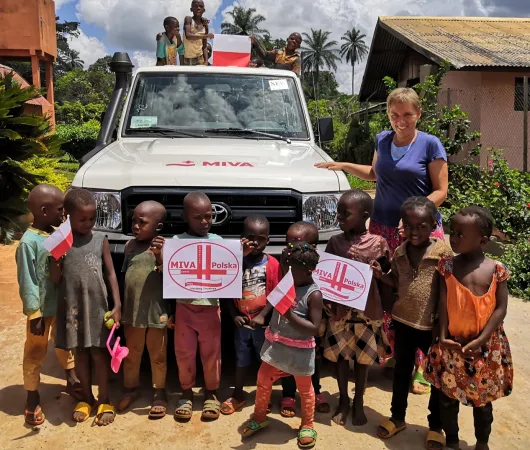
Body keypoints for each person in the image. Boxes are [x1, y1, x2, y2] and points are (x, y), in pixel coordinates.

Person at [316, 87, 449, 394]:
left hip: (418, 232)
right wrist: (343, 165)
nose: (400, 120)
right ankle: (391, 354)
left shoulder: (430, 144)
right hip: (384, 229)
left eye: (406, 114)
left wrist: (416, 215)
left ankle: (421, 366)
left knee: (419, 296)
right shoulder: (382, 140)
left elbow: (441, 191)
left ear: (418, 114)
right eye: (394, 114)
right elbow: (375, 173)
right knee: (387, 293)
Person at [424, 206, 513, 450]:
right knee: (447, 398)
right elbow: (442, 304)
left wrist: (482, 339)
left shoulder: (496, 270)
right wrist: (442, 336)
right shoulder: (447, 267)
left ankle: (481, 443)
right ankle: (452, 439)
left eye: (461, 234)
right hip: (452, 345)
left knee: (482, 402)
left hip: (485, 349)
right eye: (453, 232)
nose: (453, 238)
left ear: (483, 240)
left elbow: (500, 309)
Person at [371, 197, 452, 449]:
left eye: (422, 226)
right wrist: (381, 277)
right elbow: (397, 282)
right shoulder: (399, 252)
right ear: (402, 225)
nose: (414, 232)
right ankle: (397, 417)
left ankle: (436, 426)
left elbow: (449, 293)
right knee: (401, 372)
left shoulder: (443, 254)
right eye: (409, 226)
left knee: (436, 378)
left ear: (433, 225)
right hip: (404, 322)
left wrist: (443, 329)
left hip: (432, 328)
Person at [242, 242, 323, 449]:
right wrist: (261, 316)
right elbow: (274, 299)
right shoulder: (289, 282)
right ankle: (259, 417)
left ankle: (307, 425)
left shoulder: (313, 295)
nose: (287, 271)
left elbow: (313, 327)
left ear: (307, 270)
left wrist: (289, 314)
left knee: (305, 389)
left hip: (300, 351)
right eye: (287, 267)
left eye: (292, 268)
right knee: (263, 378)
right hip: (277, 345)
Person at [323, 190, 391, 426]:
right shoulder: (335, 242)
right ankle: (343, 400)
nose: (340, 217)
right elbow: (326, 275)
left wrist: (380, 274)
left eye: (346, 213)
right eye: (338, 212)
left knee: (362, 360)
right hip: (340, 312)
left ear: (365, 215)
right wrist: (327, 305)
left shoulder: (378, 243)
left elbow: (387, 277)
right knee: (341, 357)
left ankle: (358, 400)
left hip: (367, 313)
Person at [55, 188, 121, 426]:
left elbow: (111, 273)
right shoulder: (61, 242)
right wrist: (55, 262)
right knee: (80, 353)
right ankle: (86, 398)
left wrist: (117, 304)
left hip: (97, 306)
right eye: (82, 219)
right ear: (68, 216)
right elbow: (55, 278)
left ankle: (104, 399)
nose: (88, 223)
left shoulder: (99, 238)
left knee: (98, 353)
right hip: (73, 306)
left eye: (92, 218)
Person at [16, 185, 79, 426]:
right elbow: (28, 281)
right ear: (44, 210)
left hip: (60, 305)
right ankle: (32, 395)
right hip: (41, 311)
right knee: (35, 351)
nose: (64, 215)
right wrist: (34, 314)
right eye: (61, 210)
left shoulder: (55, 235)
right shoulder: (28, 243)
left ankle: (72, 379)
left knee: (65, 344)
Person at [220, 215, 281, 415]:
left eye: (261, 238)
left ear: (268, 240)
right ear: (241, 237)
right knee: (241, 358)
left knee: (265, 360)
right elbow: (226, 292)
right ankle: (238, 394)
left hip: (263, 324)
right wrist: (233, 315)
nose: (255, 242)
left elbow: (277, 294)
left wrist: (264, 315)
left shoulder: (272, 264)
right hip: (243, 323)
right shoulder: (234, 263)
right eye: (250, 237)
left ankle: (264, 397)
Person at [172, 192, 222, 421]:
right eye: (198, 217)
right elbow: (168, 274)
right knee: (184, 353)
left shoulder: (219, 242)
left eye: (208, 216)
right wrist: (160, 256)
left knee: (211, 353)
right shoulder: (175, 243)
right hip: (184, 307)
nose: (204, 222)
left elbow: (228, 271)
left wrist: (242, 254)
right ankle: (186, 393)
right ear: (185, 217)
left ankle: (211, 392)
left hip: (211, 308)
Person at [117, 201, 169, 419]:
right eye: (134, 221)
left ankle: (160, 391)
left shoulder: (164, 249)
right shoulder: (129, 246)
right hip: (133, 312)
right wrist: (119, 307)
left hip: (157, 312)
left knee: (158, 354)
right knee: (132, 353)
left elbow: (172, 277)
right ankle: (131, 388)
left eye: (142, 222)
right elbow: (123, 277)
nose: (136, 226)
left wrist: (159, 255)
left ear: (158, 227)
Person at [278, 221, 330, 417]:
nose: (289, 248)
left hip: (309, 327)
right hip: (287, 332)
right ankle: (289, 395)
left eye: (295, 243)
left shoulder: (321, 267)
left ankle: (315, 391)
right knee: (286, 360)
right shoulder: (288, 267)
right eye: (287, 243)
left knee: (312, 360)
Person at [183, 0, 214, 66]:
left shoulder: (204, 25)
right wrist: (204, 36)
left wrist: (206, 61)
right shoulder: (188, 19)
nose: (198, 8)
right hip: (186, 58)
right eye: (195, 6)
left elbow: (204, 45)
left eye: (201, 6)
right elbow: (188, 35)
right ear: (191, 9)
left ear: (204, 10)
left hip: (199, 58)